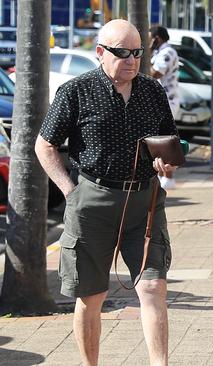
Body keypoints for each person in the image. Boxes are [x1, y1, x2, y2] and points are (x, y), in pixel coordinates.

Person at [35, 19, 177, 366]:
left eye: (138, 53)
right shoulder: (76, 91)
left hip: (145, 201)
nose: (131, 60)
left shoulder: (151, 91)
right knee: (92, 294)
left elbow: (169, 143)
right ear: (101, 53)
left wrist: (167, 163)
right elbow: (45, 145)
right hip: (93, 201)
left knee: (153, 286)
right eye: (122, 53)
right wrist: (72, 193)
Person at [149, 25, 180, 190]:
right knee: (160, 140)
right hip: (162, 102)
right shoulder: (160, 52)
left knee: (166, 140)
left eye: (149, 38)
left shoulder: (167, 53)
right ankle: (163, 175)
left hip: (168, 101)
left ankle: (168, 176)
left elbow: (154, 73)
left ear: (157, 38)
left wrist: (145, 52)